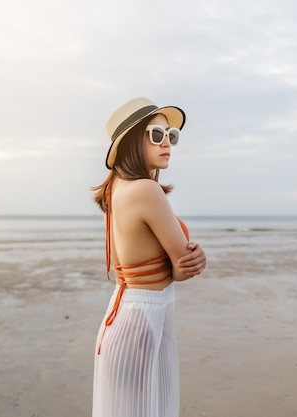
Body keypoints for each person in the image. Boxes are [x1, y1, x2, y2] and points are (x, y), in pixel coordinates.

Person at [91, 97, 206, 417]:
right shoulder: (145, 190)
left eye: (171, 136)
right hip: (143, 321)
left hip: (128, 316)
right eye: (156, 135)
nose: (167, 142)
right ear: (131, 141)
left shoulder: (116, 187)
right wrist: (196, 257)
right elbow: (182, 269)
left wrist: (181, 261)